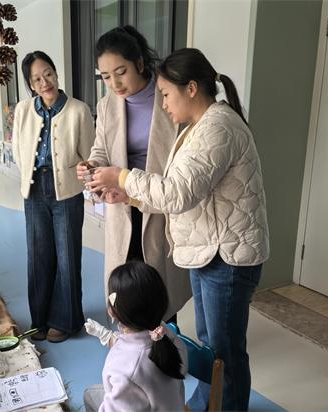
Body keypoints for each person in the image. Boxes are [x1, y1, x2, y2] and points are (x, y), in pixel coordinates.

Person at [87, 48, 270, 411]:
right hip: (210, 249)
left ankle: (226, 406)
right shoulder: (197, 128)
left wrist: (121, 176)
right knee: (211, 346)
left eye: (167, 94)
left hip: (227, 255)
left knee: (225, 352)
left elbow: (177, 192)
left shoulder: (217, 127)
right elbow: (182, 193)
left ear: (191, 88)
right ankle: (208, 402)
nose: (165, 104)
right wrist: (129, 197)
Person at [76, 25, 191, 323]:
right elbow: (101, 150)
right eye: (105, 76)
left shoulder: (168, 98)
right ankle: (132, 345)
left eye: (121, 72)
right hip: (122, 204)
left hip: (159, 204)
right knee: (127, 284)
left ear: (140, 63)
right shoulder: (107, 106)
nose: (114, 83)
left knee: (159, 287)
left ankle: (163, 342)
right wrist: (91, 166)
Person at [12, 51, 95, 343]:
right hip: (34, 189)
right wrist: (29, 174)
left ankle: (66, 320)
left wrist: (85, 170)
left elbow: (90, 154)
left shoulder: (78, 110)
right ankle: (40, 320)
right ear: (30, 84)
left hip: (67, 191)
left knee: (67, 256)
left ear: (56, 73)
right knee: (38, 256)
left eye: (48, 73)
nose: (44, 82)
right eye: (36, 79)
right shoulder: (23, 110)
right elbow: (17, 149)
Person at [83, 261, 187, 412]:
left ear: (112, 312)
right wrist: (106, 336)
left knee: (89, 394)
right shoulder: (164, 333)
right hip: (171, 405)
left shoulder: (126, 370)